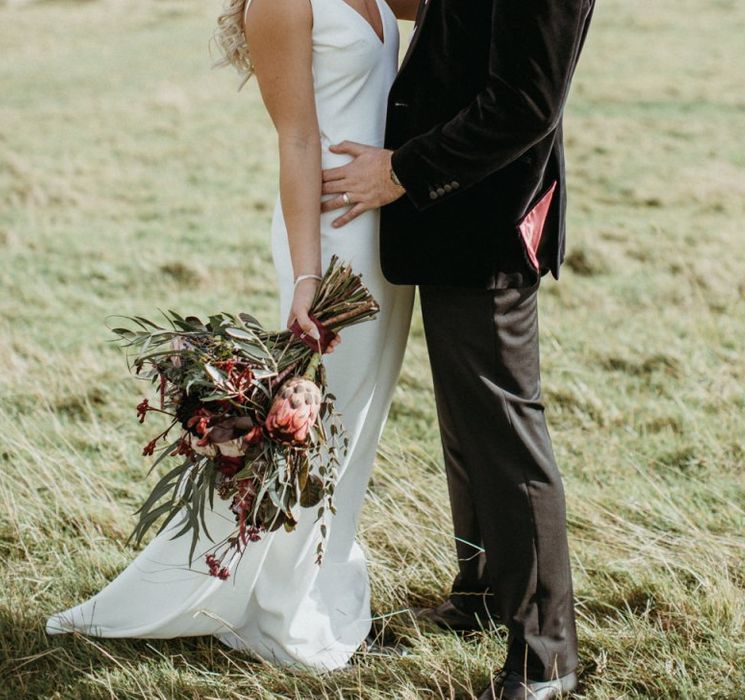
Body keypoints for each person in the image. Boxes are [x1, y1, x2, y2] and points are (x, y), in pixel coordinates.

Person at [45, 0, 415, 671]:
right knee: (312, 431)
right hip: (330, 240)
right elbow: (297, 139)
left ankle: (321, 580)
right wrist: (306, 275)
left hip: (386, 229)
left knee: (355, 426)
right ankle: (278, 610)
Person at [320, 0, 595, 696]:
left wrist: (404, 170)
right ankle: (478, 594)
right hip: (450, 221)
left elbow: (525, 105)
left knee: (504, 431)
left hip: (489, 219)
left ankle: (546, 651)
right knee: (467, 429)